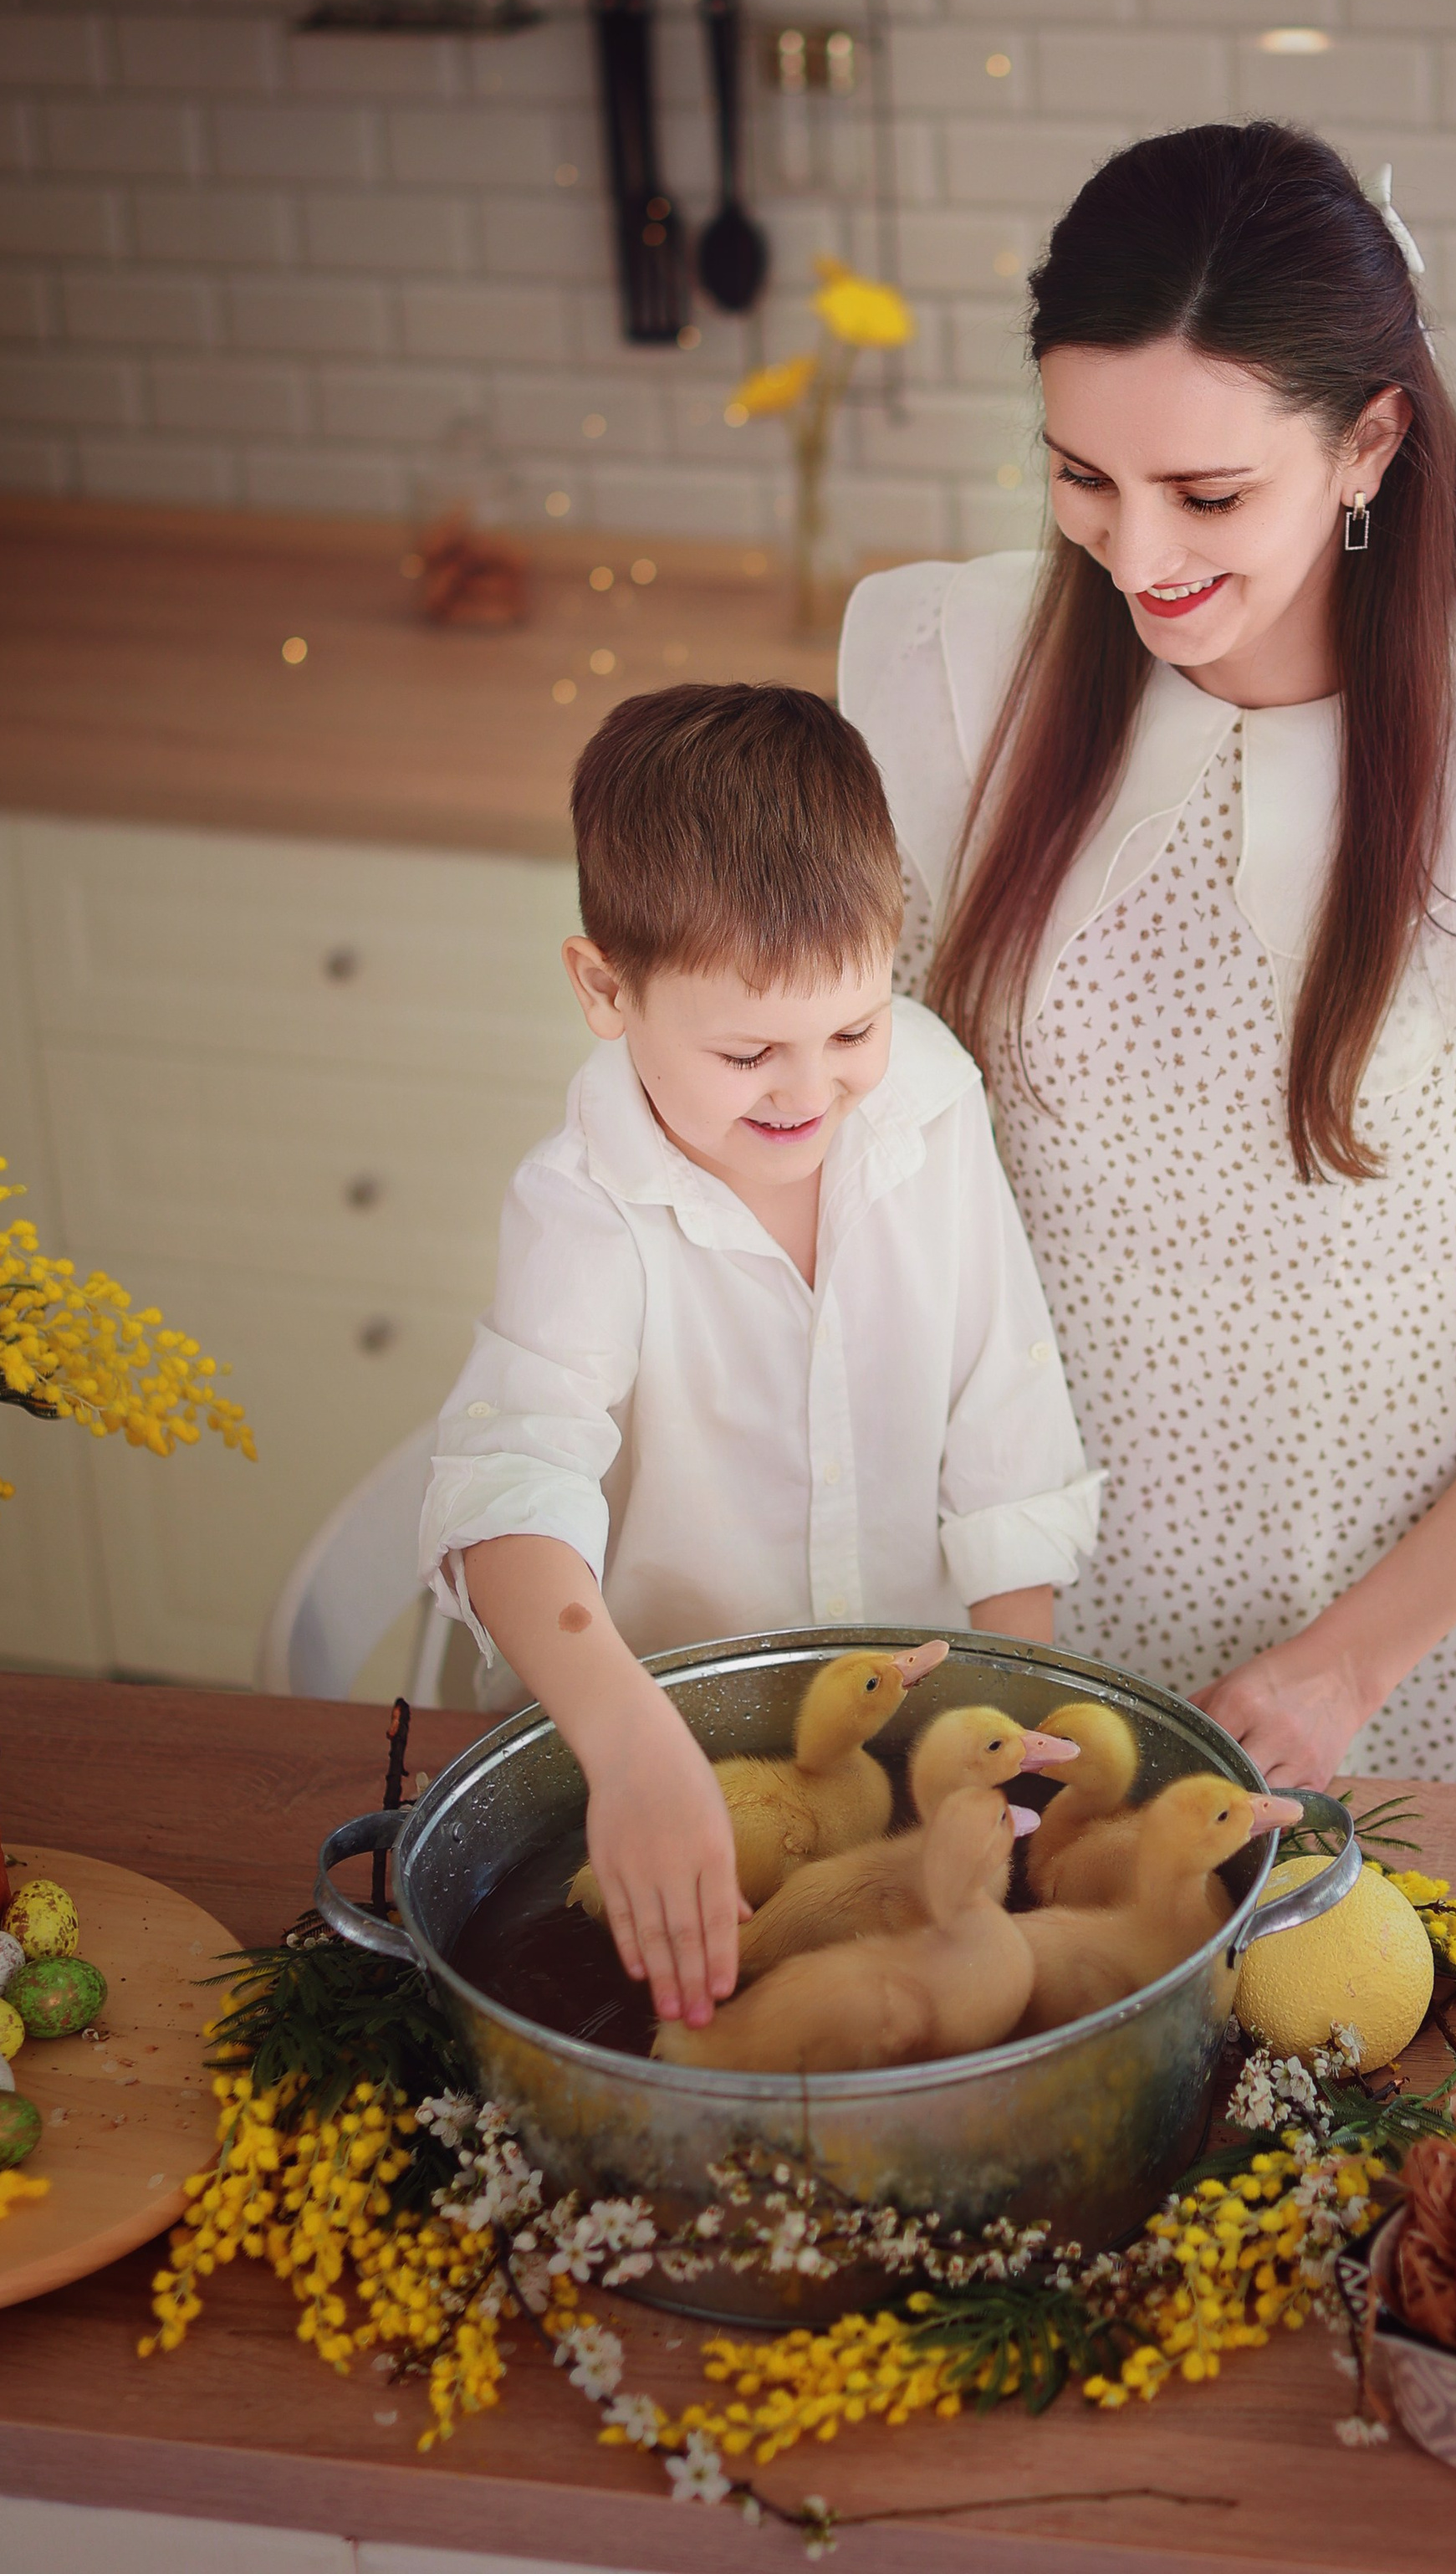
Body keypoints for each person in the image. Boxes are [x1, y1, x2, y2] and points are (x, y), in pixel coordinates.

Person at [841, 121, 1456, 1800]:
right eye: (1082, 476)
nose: (1136, 555)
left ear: (1370, 443)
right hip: (1024, 1635)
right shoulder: (944, 681)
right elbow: (845, 1147)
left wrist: (1350, 1663)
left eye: (1207, 494)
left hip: (1423, 1662)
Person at [418, 683, 1098, 2027]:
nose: (807, 1089)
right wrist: (629, 1745)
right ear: (604, 988)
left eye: (851, 1028)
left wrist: (1002, 1730)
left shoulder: (931, 1106)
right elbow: (512, 1486)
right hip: (649, 1767)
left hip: (900, 1754)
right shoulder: (582, 1205)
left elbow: (1007, 1446)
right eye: (746, 1051)